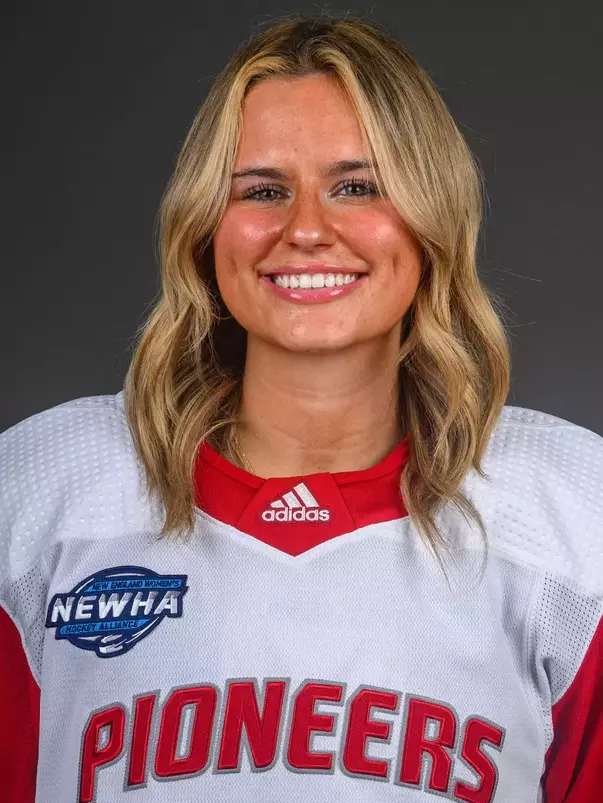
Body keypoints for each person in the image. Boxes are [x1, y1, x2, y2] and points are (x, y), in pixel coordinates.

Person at [0, 13, 601, 803]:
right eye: (262, 190)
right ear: (205, 227)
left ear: (431, 217)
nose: (307, 229)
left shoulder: (569, 515)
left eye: (356, 187)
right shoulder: (42, 489)